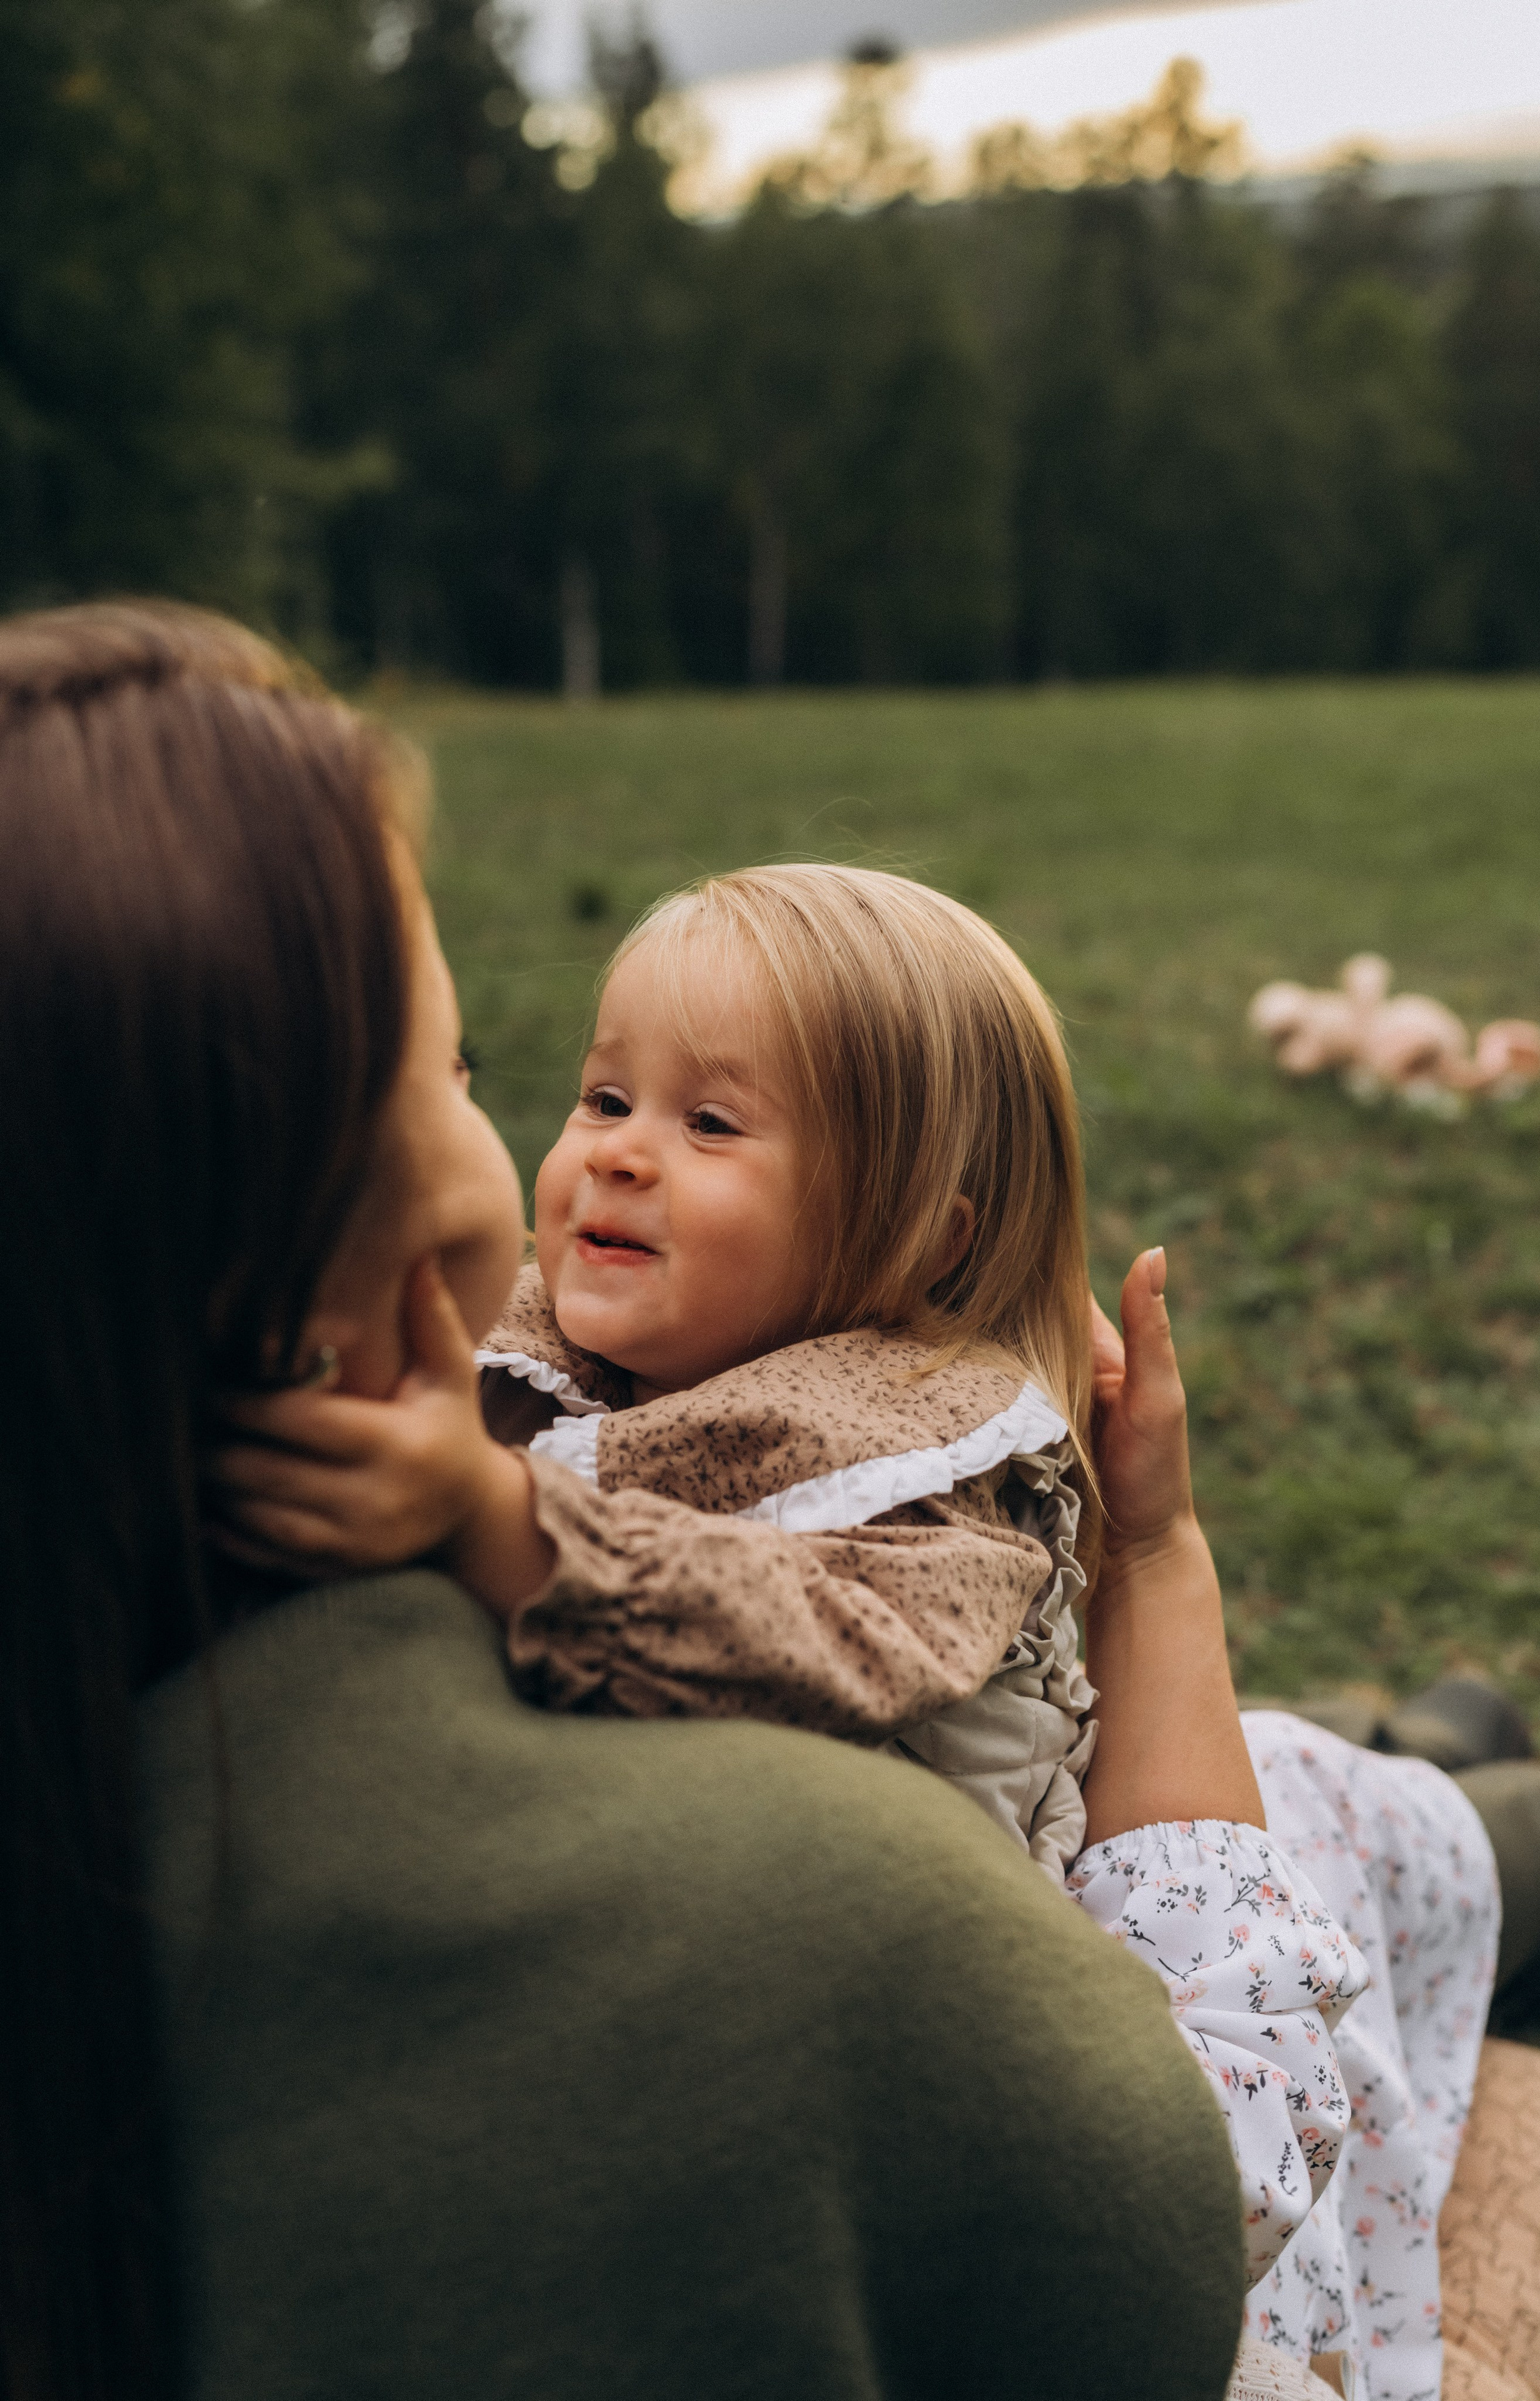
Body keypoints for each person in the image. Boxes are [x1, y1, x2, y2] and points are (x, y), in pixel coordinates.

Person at [0, 602, 1249, 2401]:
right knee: (1389, 1836)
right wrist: (1163, 1576)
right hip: (1117, 1952)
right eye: (513, 1081)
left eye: (709, 1125)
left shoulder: (897, 1470)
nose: (602, 1152)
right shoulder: (854, 1948)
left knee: (1384, 1781)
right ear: (349, 1257)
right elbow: (1199, 2193)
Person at [214, 867, 1502, 2401]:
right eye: (602, 1094)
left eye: (709, 1125)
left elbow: (823, 1638)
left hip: (1136, 1949)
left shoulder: (931, 1492)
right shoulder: (545, 1345)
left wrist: (507, 1529)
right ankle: (1458, 1758)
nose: (616, 1154)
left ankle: (1507, 1792)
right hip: (1152, 1898)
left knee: (1399, 1820)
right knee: (1333, 1788)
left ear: (918, 1242)